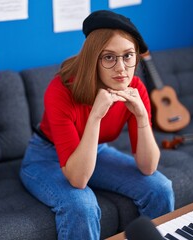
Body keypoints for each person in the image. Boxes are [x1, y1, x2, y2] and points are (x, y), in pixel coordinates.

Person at [20, 10, 174, 240]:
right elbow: (78, 179)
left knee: (160, 188)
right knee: (82, 206)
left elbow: (148, 167)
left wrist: (142, 117)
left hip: (96, 151)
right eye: (109, 57)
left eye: (128, 56)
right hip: (45, 157)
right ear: (94, 59)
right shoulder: (61, 90)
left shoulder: (136, 88)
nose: (121, 68)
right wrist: (95, 117)